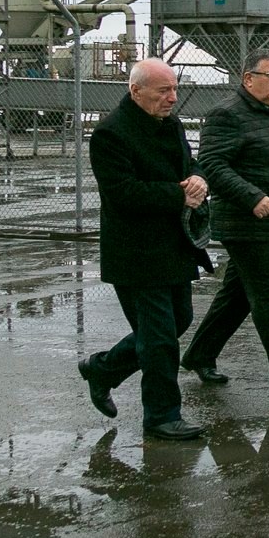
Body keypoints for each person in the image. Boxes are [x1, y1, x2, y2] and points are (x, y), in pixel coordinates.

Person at [78, 58, 213, 440]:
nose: (172, 98)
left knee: (178, 321)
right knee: (158, 338)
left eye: (175, 90)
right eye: (164, 91)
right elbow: (123, 194)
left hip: (173, 246)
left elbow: (190, 164)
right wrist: (178, 195)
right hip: (135, 253)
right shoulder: (111, 134)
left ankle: (103, 368)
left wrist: (199, 180)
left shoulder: (170, 124)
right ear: (136, 91)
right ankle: (161, 416)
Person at [179, 50, 269, 394]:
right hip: (246, 226)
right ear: (248, 79)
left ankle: (200, 354)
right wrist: (253, 197)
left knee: (238, 296)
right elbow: (212, 165)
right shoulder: (227, 115)